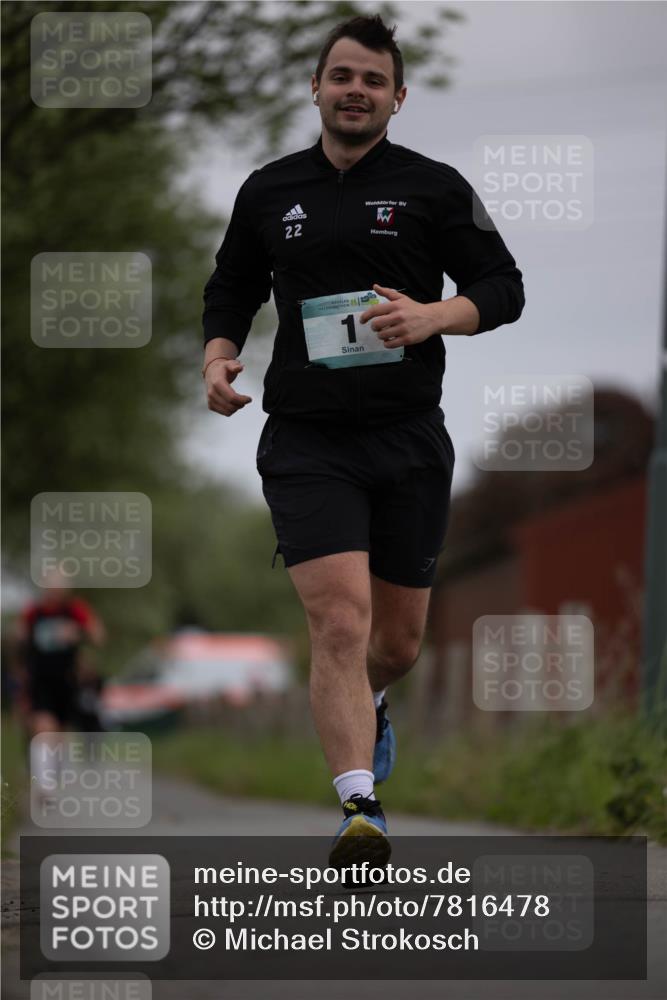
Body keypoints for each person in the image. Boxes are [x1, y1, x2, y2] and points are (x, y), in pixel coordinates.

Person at [202, 14, 525, 866]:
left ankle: (365, 706)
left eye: (372, 80)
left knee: (393, 646)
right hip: (307, 439)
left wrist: (433, 316)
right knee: (339, 625)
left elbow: (503, 286)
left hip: (408, 438)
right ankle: (359, 808)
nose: (355, 90)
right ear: (315, 86)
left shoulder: (433, 187)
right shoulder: (269, 190)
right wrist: (218, 356)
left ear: (397, 97)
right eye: (341, 76)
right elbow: (231, 286)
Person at [13, 571, 106, 789]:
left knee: (59, 733)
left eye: (60, 587)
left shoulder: (74, 610)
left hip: (67, 680)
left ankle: (53, 773)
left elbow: (99, 636)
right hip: (40, 679)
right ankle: (45, 786)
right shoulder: (33, 613)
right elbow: (18, 640)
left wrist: (79, 632)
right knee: (44, 727)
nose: (55, 591)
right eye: (51, 587)